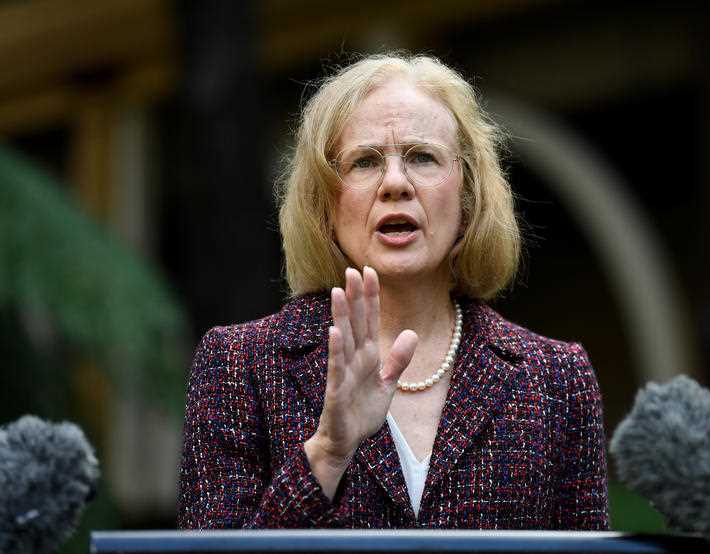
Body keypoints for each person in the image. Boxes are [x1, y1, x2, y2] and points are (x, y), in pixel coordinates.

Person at [178, 54, 609, 529]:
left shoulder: (556, 381)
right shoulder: (238, 366)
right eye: (364, 162)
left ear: (468, 198)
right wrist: (327, 452)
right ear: (324, 205)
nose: (395, 184)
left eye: (422, 157)